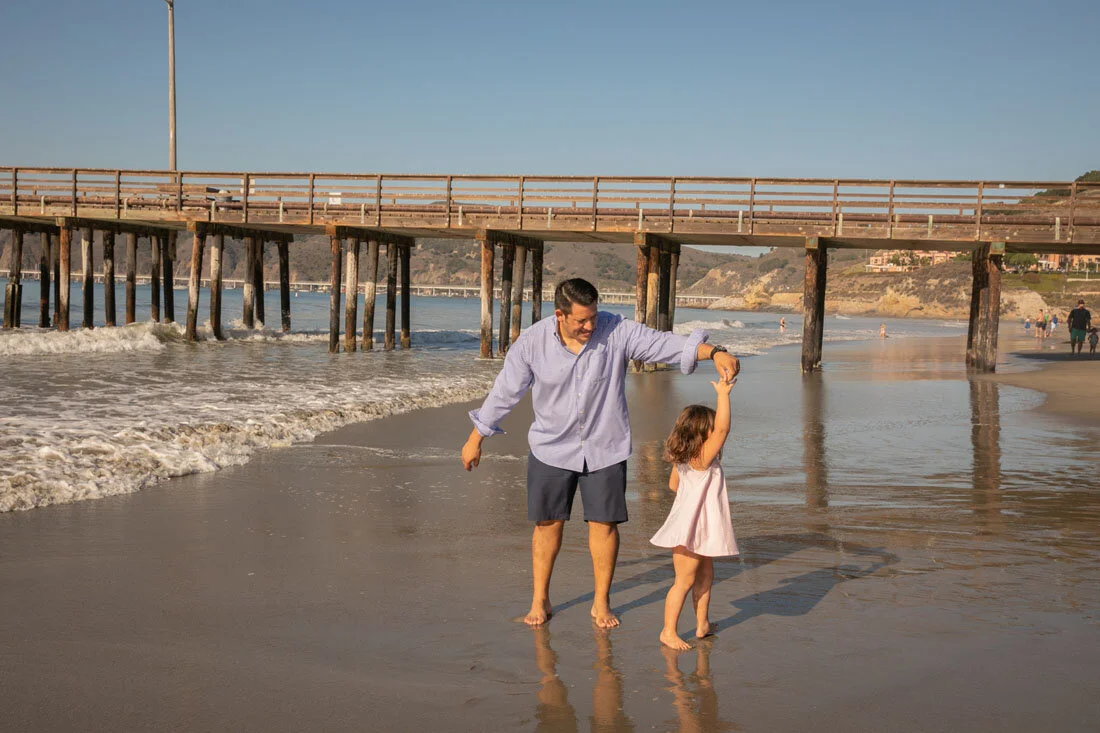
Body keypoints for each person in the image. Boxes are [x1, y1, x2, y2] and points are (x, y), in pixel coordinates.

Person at [461, 278, 740, 629]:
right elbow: (506, 391)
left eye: (593, 317)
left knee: (604, 525)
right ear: (560, 315)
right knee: (547, 524)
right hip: (551, 447)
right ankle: (539, 599)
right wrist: (477, 436)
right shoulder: (532, 343)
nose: (590, 326)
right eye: (582, 320)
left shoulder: (615, 330)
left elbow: (663, 344)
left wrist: (714, 352)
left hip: (605, 447)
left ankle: (601, 602)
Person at [650, 378, 739, 650]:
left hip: (699, 526)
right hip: (690, 530)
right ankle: (668, 631)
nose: (716, 436)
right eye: (710, 433)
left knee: (704, 576)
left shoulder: (685, 458)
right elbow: (723, 428)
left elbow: (673, 485)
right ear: (703, 434)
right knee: (684, 581)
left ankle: (702, 624)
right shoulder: (701, 458)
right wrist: (723, 394)